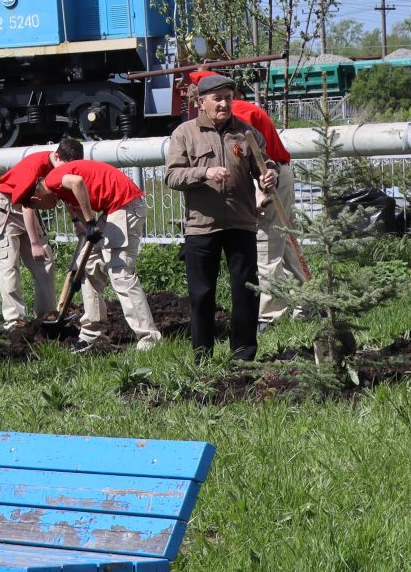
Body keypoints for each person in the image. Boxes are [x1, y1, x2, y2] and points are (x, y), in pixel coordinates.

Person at [165, 73, 275, 360]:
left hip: (241, 222)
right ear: (201, 102)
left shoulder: (246, 133)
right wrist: (205, 173)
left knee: (246, 291)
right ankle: (203, 358)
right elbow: (172, 176)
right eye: (217, 99)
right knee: (201, 294)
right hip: (202, 226)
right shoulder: (185, 133)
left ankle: (244, 356)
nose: (224, 104)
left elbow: (263, 166)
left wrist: (269, 176)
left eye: (228, 98)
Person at [187, 72, 302, 325]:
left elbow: (251, 159)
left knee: (265, 243)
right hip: (279, 173)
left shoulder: (237, 116)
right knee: (285, 244)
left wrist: (260, 195)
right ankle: (307, 303)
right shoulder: (236, 109)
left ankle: (271, 316)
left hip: (269, 177)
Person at [36, 156, 162, 353]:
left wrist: (89, 222)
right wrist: (86, 225)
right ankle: (92, 333)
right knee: (88, 264)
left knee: (120, 273)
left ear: (36, 197)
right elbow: (77, 200)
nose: (43, 210)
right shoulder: (58, 188)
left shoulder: (52, 180)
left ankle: (149, 338)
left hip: (125, 205)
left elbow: (77, 182)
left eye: (36, 207)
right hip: (112, 210)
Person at [0, 137, 81, 329]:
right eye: (65, 166)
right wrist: (35, 244)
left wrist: (77, 221)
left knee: (45, 261)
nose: (66, 172)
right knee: (9, 265)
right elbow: (26, 205)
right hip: (6, 207)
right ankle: (14, 320)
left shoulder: (60, 167)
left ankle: (47, 315)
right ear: (57, 156)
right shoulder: (35, 167)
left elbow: (64, 194)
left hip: (27, 208)